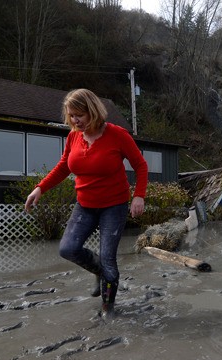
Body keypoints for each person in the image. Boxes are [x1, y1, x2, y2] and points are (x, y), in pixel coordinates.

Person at [25, 88, 148, 317]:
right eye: (71, 116)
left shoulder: (118, 135)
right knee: (68, 249)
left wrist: (138, 195)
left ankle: (107, 308)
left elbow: (140, 165)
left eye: (79, 115)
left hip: (114, 205)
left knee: (109, 259)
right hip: (85, 205)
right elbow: (63, 167)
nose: (75, 121)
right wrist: (40, 188)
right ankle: (98, 271)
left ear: (93, 111)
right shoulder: (73, 136)